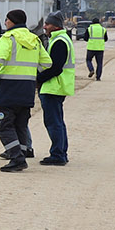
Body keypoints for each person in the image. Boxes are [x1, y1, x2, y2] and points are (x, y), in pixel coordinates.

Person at [0, 8, 43, 172]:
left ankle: (16, 157)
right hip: (27, 89)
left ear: (12, 21)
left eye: (6, 20)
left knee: (4, 124)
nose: (5, 23)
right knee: (21, 123)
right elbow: (47, 63)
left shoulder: (8, 38)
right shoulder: (35, 39)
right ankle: (22, 153)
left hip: (9, 88)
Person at [36, 12, 75, 167]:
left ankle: (58, 154)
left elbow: (55, 68)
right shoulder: (61, 39)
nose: (45, 27)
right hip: (57, 86)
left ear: (56, 26)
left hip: (54, 86)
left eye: (48, 24)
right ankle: (61, 152)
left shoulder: (59, 41)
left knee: (53, 122)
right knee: (58, 121)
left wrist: (38, 79)